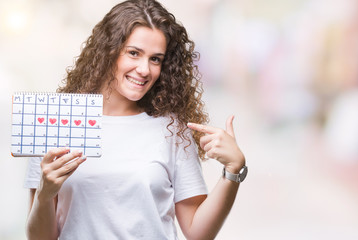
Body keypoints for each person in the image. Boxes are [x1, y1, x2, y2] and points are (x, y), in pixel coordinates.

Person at [24, 0, 247, 239]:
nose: (144, 69)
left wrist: (233, 171)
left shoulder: (171, 129)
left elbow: (197, 232)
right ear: (108, 50)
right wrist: (45, 194)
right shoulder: (55, 123)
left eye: (155, 59)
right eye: (134, 53)